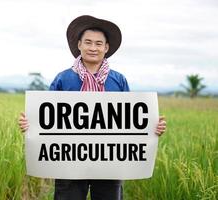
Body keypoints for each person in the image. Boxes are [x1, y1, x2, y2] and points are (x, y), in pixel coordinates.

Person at [18, 15, 166, 200]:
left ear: (106, 48)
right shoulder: (63, 79)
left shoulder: (118, 80)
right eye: (88, 42)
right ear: (79, 45)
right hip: (69, 161)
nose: (93, 48)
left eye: (98, 43)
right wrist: (29, 123)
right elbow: (45, 116)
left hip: (110, 161)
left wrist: (152, 127)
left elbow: (131, 120)